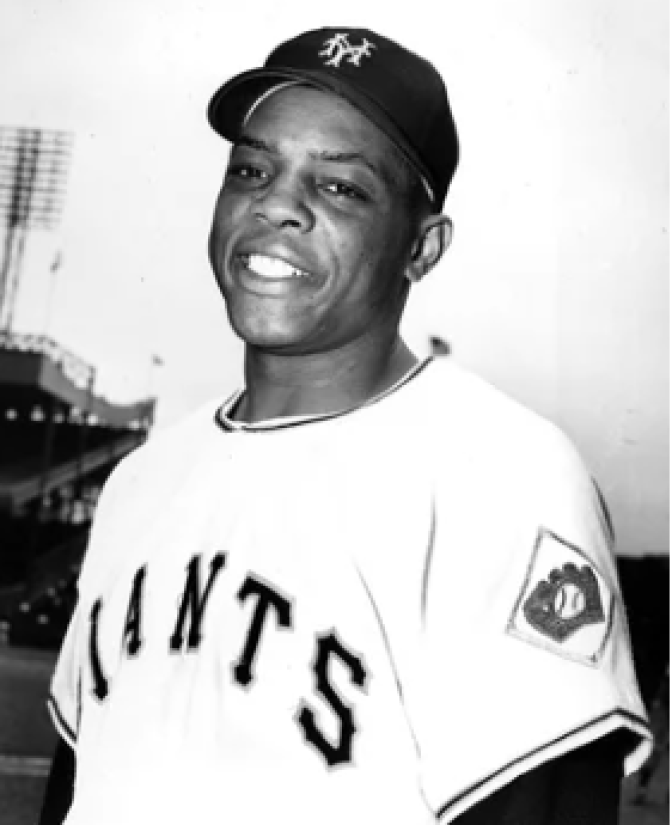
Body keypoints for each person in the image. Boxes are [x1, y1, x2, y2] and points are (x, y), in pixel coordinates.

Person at [40, 26, 652, 825]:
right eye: (252, 170)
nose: (275, 205)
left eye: (339, 187)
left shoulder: (503, 474)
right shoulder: (140, 483)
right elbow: (76, 786)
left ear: (422, 248)